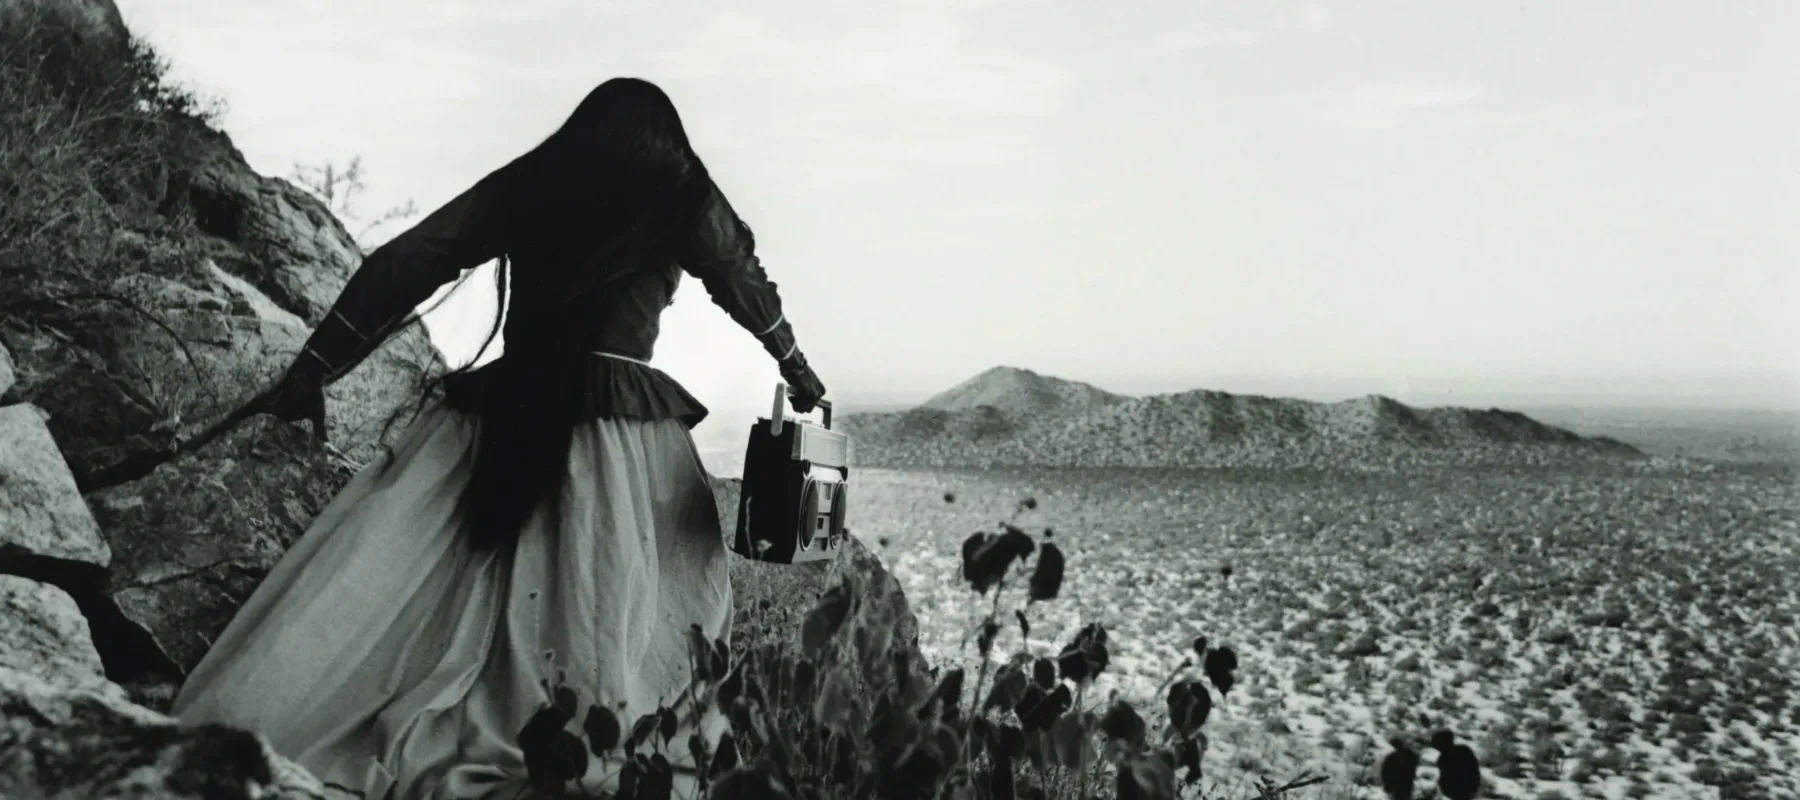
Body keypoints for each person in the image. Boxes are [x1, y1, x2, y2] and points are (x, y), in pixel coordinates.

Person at [168, 77, 827, 799]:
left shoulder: (538, 179)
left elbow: (411, 259)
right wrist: (798, 371)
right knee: (635, 615)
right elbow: (742, 278)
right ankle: (590, 747)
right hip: (619, 438)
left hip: (500, 413)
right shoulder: (680, 190)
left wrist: (316, 368)